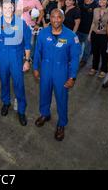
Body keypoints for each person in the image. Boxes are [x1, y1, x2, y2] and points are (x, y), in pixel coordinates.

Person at [33, 8, 81, 141]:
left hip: (62, 71)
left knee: (61, 98)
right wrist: (36, 67)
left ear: (63, 18)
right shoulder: (43, 33)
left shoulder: (71, 36)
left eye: (58, 17)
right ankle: (44, 114)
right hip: (46, 69)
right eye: (53, 17)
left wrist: (72, 77)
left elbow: (75, 59)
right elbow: (37, 52)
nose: (55, 20)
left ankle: (61, 124)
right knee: (44, 94)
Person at [0, 0, 31, 126]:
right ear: (2, 9)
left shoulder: (21, 23)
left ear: (13, 9)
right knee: (4, 82)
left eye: (10, 7)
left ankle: (21, 110)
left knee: (19, 83)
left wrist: (27, 60)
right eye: (5, 7)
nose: (7, 10)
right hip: (2, 58)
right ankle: (6, 102)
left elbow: (28, 43)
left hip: (16, 58)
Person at [88, 0, 108, 78]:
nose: (101, 1)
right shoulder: (96, 10)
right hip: (95, 34)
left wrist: (104, 30)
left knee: (104, 53)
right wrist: (90, 34)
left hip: (104, 35)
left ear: (107, 1)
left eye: (104, 0)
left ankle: (104, 70)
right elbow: (93, 23)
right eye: (100, 0)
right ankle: (94, 67)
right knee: (95, 52)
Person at [78, 0, 98, 67]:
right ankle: (75, 59)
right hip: (79, 30)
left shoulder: (95, 5)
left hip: (89, 30)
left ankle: (84, 60)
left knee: (87, 48)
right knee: (76, 47)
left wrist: (91, 32)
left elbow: (95, 20)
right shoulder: (79, 3)